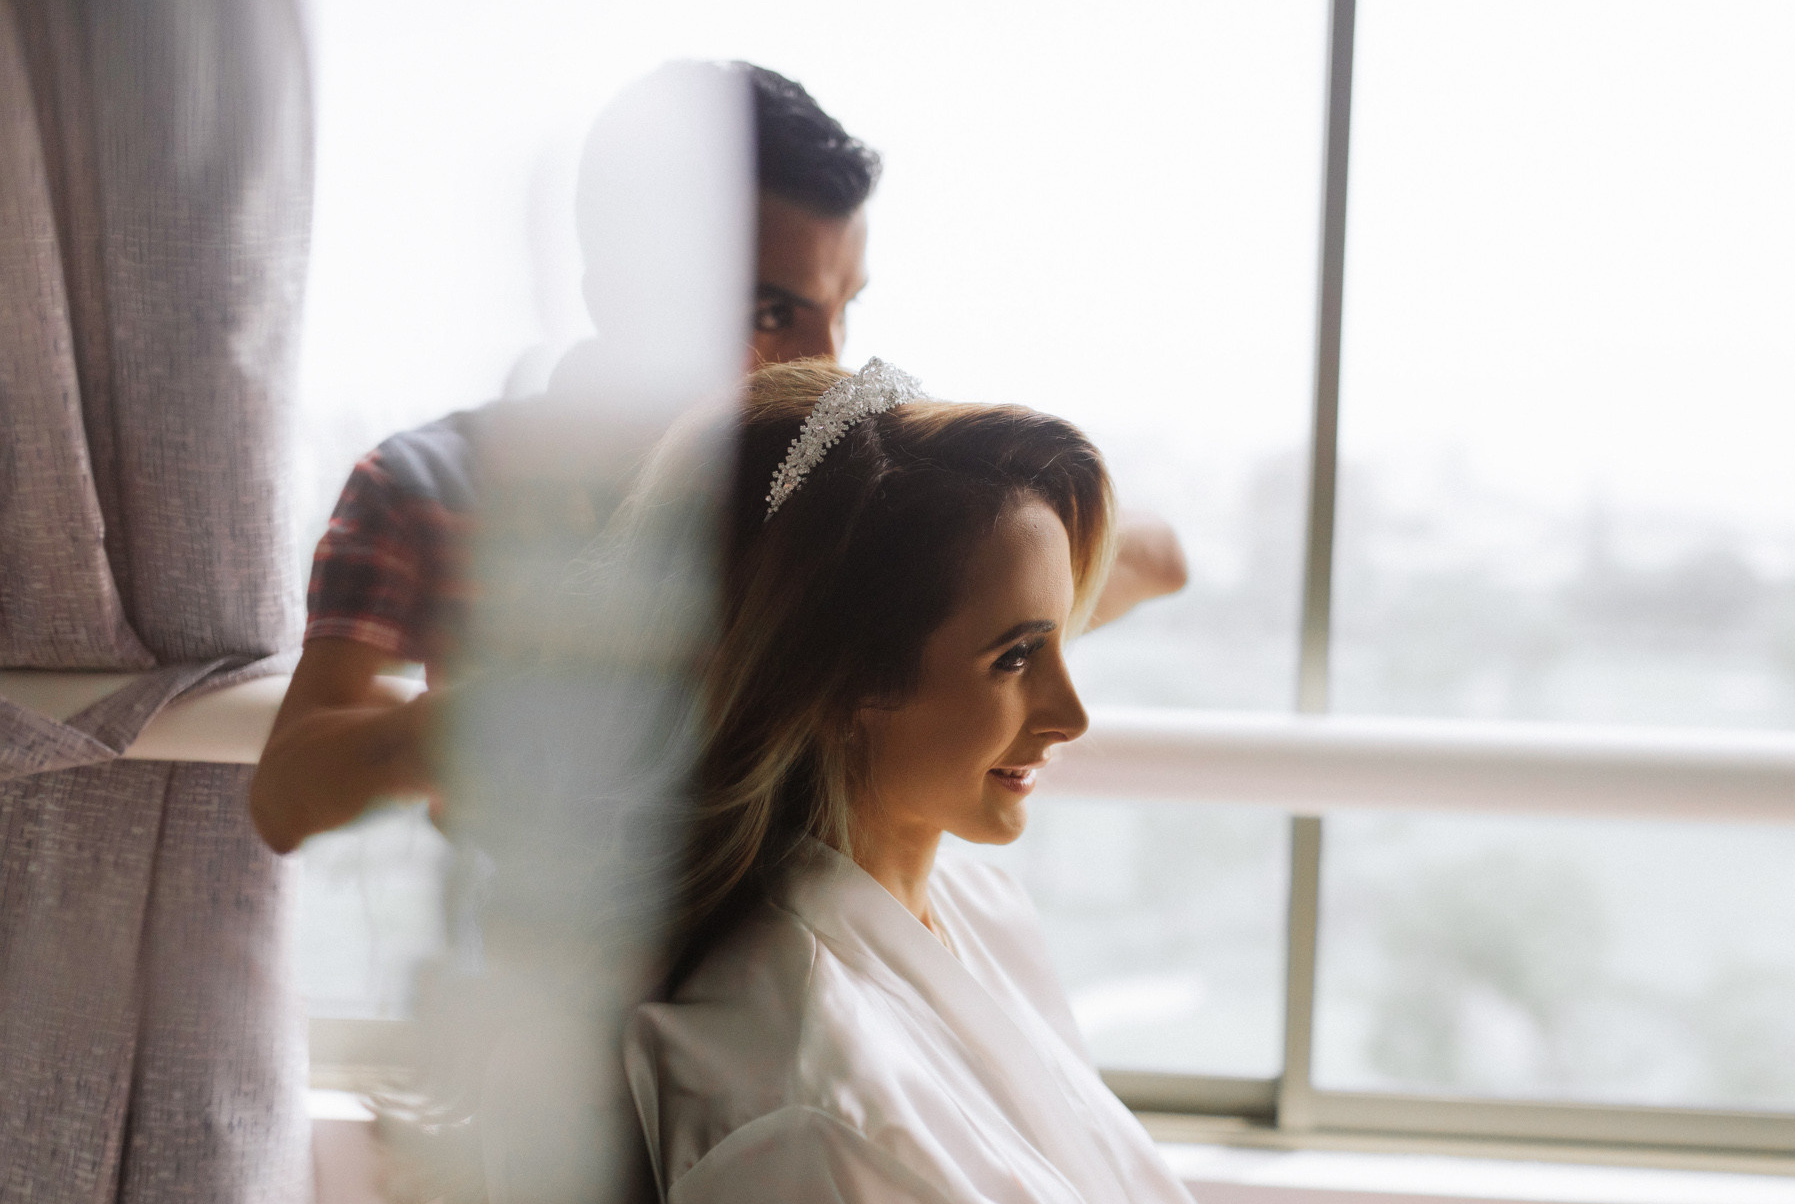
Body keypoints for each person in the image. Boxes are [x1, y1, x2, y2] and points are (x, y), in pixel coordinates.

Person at [416, 357, 1244, 1204]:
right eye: (1014, 657)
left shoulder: (977, 913)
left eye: (1063, 638)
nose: (1070, 713)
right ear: (841, 682)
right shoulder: (795, 1093)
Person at [248, 63, 1187, 856]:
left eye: (843, 305)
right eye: (771, 312)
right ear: (621, 292)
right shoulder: (432, 489)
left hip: (819, 979)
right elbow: (287, 794)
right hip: (554, 1017)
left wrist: (955, 600)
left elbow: (1158, 556)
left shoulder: (855, 490)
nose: (829, 360)